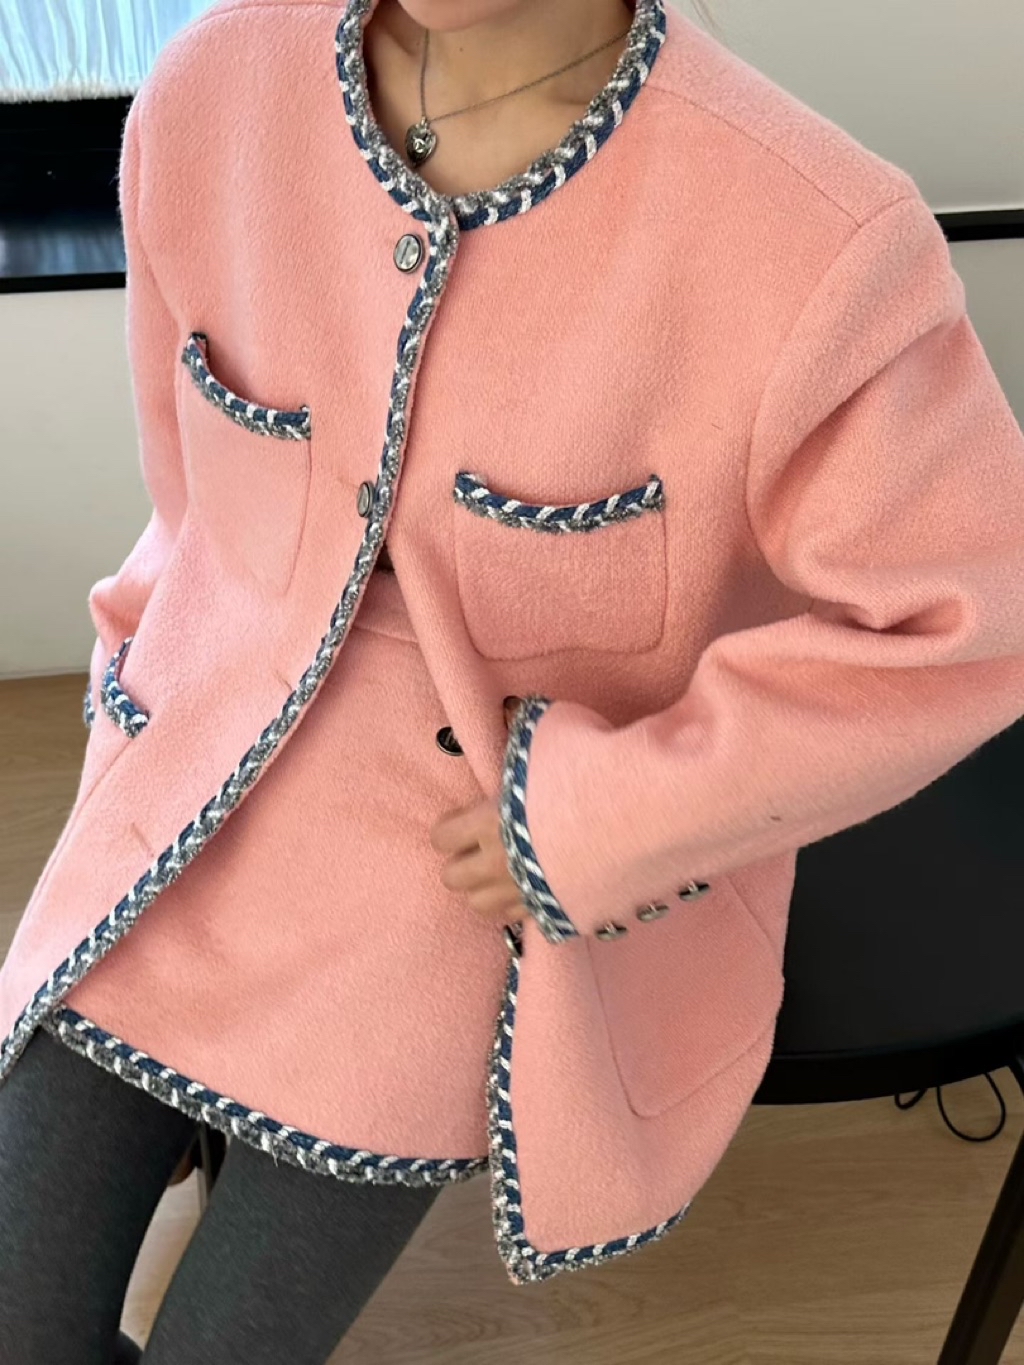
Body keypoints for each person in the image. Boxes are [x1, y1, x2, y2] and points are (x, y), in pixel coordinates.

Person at [3, 0, 1024, 1360]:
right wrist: (132, 687)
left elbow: (973, 622)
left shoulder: (812, 233)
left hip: (461, 878)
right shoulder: (212, 92)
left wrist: (604, 817)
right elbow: (189, 502)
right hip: (181, 798)